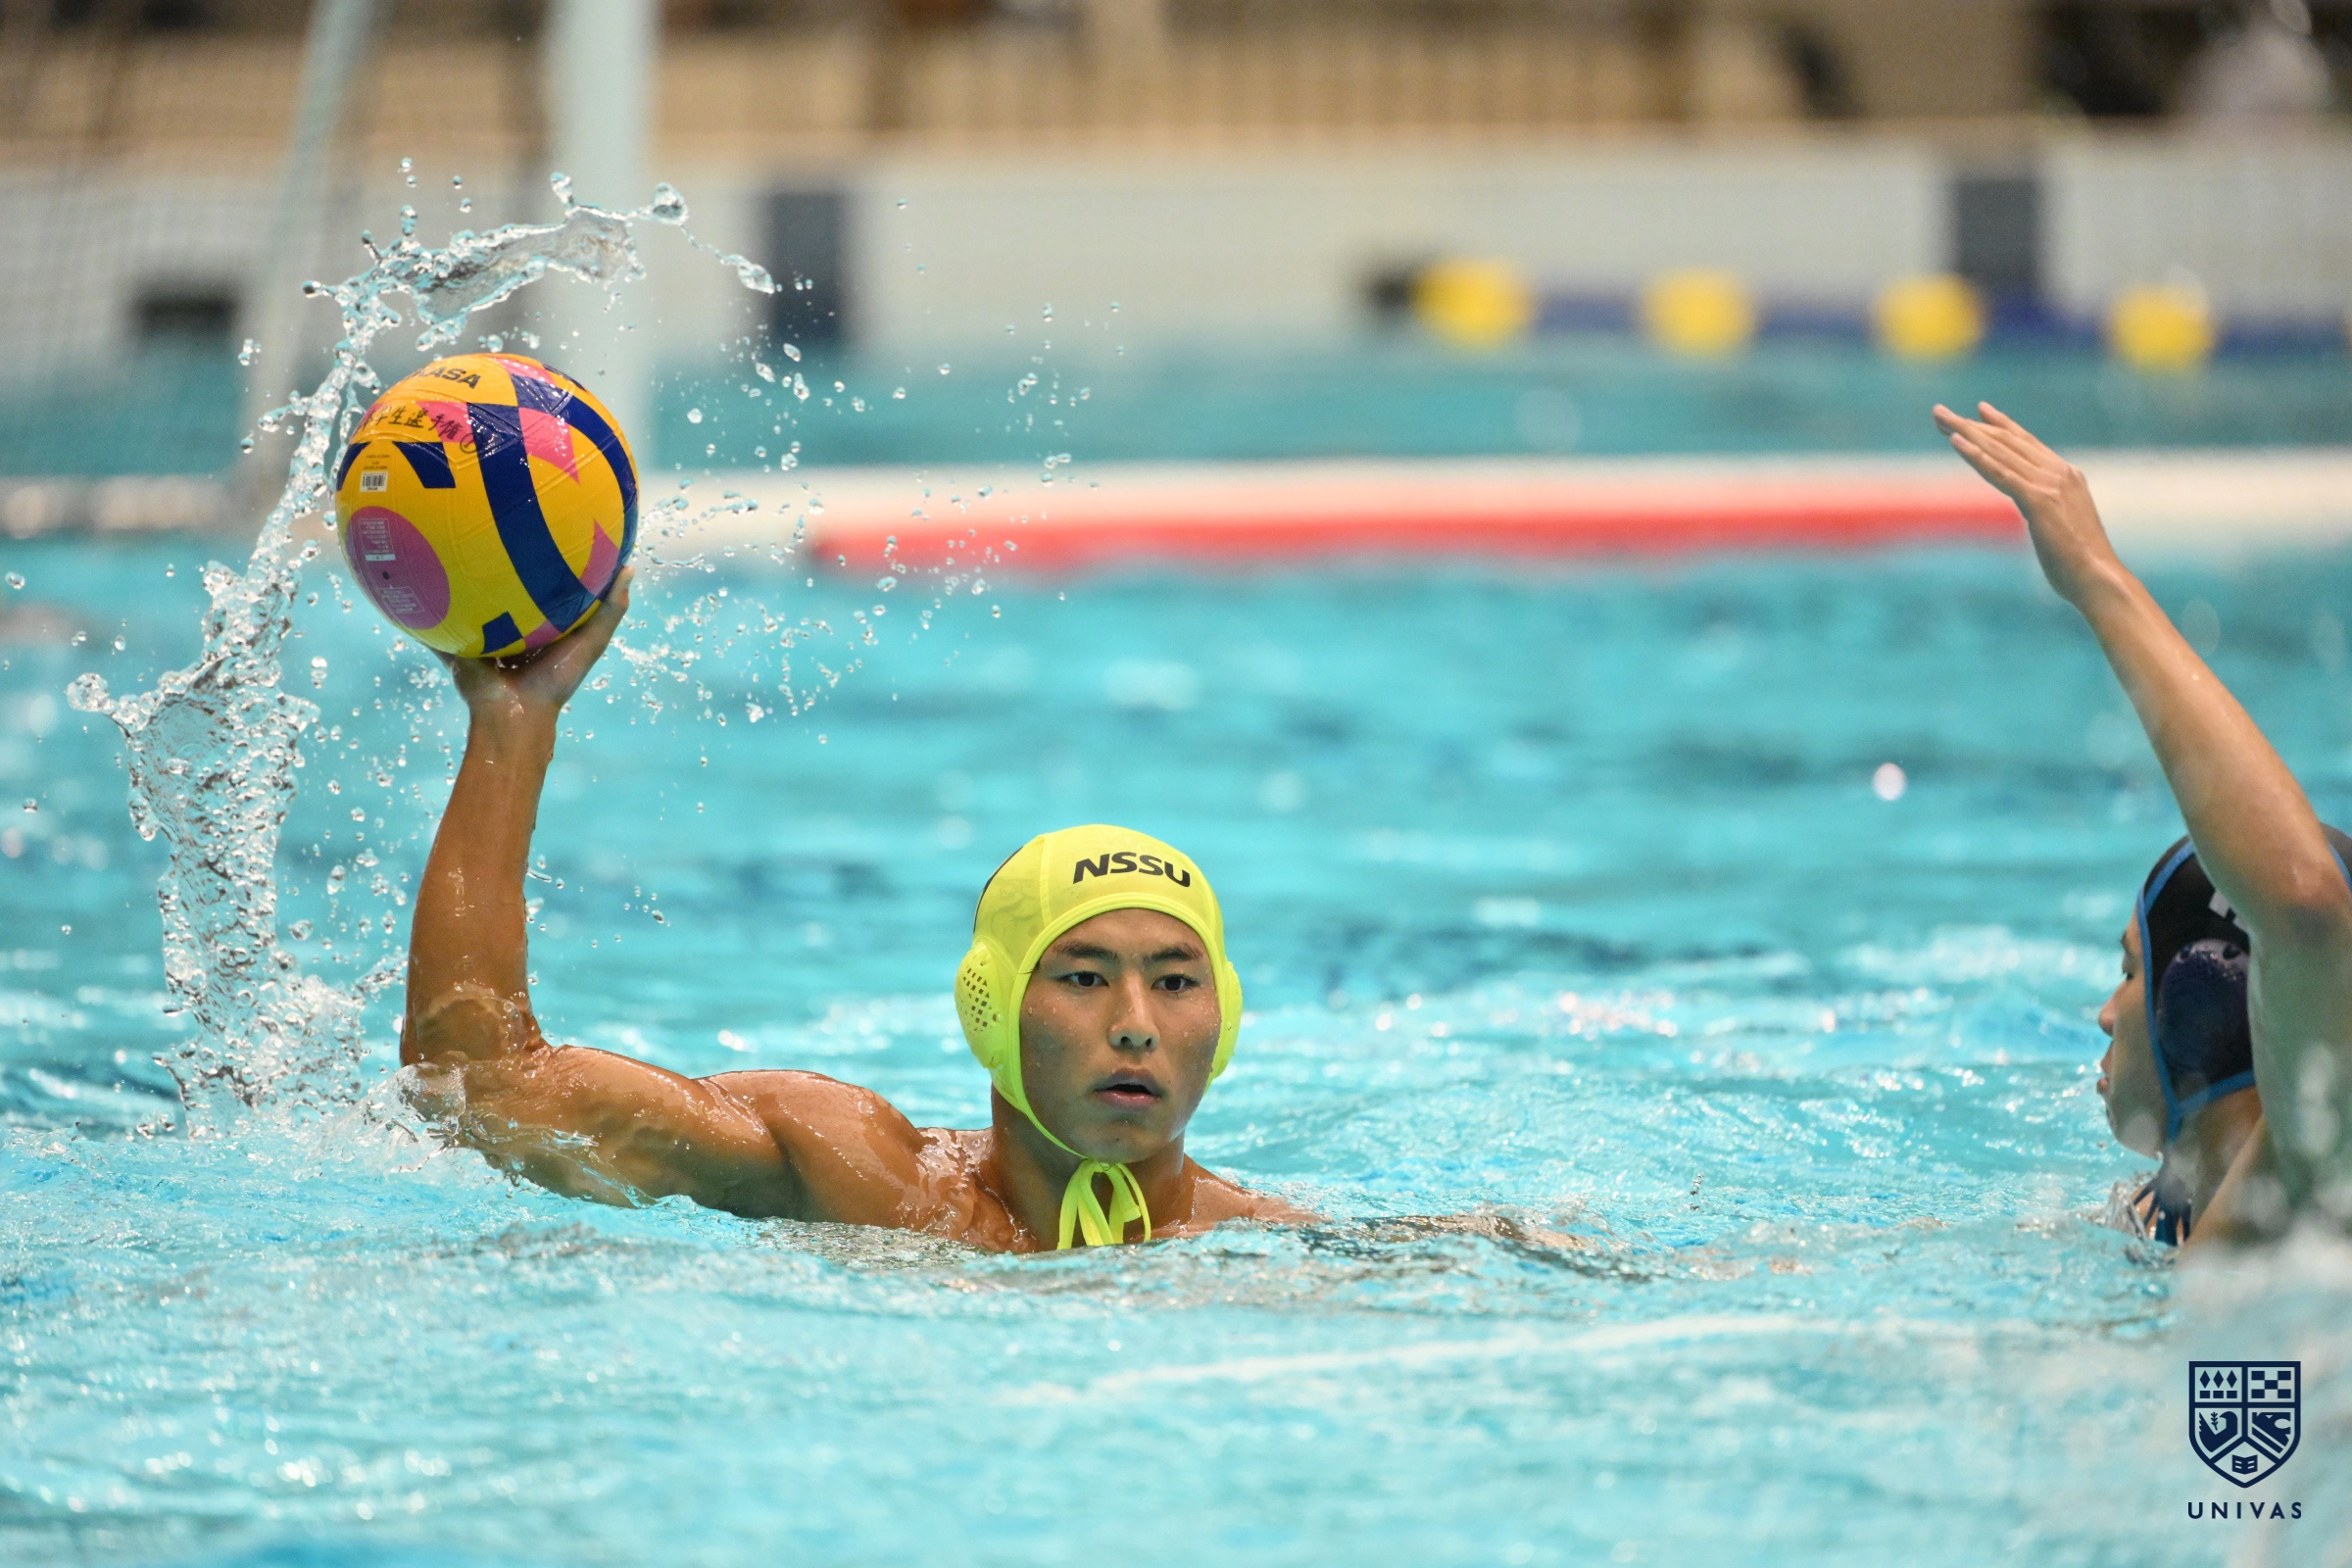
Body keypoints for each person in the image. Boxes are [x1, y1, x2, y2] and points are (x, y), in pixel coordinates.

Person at [399, 567, 1308, 1251]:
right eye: (1083, 978)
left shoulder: (1268, 1249)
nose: (1136, 1024)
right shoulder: (859, 1179)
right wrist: (513, 724)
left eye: (1176, 982)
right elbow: (476, 1085)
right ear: (989, 1008)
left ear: (1225, 1018)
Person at [1936, 401, 2352, 1246]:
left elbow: (2306, 908)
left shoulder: (2307, 1203)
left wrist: (2098, 579)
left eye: (2130, 970)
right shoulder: (2158, 1215)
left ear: (2200, 999)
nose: (2103, 1014)